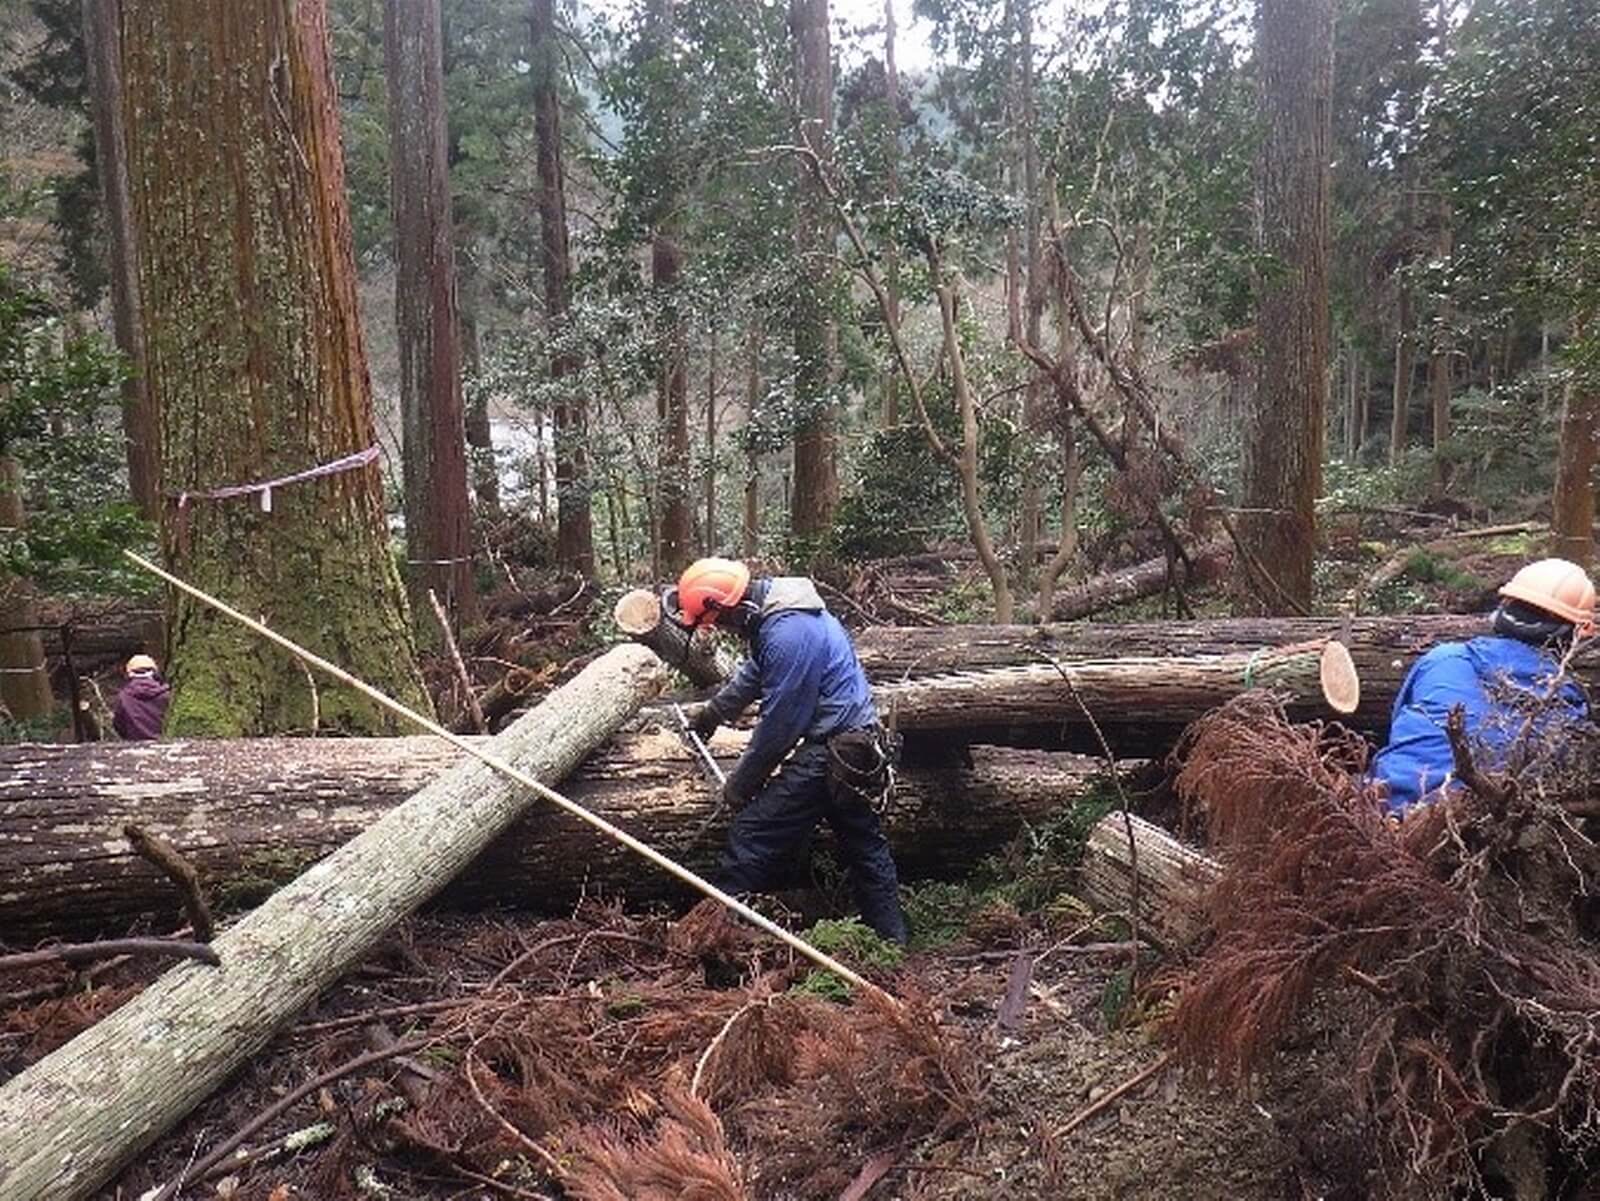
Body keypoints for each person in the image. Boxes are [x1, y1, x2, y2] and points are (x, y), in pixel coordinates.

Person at [667, 557, 909, 944]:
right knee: (864, 846)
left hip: (833, 753)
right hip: (856, 744)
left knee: (751, 832)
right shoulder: (777, 616)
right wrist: (712, 715)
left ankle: (714, 938)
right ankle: (892, 940)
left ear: (732, 606)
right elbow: (753, 674)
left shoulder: (788, 633)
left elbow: (781, 727)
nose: (726, 630)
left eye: (722, 621)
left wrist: (739, 786)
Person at [1370, 558, 1593, 816]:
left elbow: (1396, 726)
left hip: (1385, 811)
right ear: (1578, 632)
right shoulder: (1570, 703)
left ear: (1504, 607)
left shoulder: (1442, 659)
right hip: (1490, 832)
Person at [112, 653, 170, 741]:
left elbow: (119, 726)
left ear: (129, 674)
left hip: (135, 747)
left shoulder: (124, 697)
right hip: (166, 745)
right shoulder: (167, 695)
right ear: (154, 673)